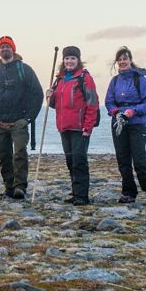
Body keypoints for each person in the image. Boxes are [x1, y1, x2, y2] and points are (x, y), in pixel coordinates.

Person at [0, 36, 43, 200]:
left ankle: (20, 187)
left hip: (19, 122)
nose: (5, 49)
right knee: (4, 155)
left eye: (8, 47)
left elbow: (38, 95)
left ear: (13, 49)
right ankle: (8, 186)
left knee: (20, 154)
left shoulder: (25, 70)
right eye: (2, 47)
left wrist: (28, 118)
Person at [105, 46, 146, 207]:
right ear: (117, 62)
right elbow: (109, 101)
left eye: (125, 58)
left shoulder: (140, 80)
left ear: (130, 60)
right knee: (123, 160)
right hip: (118, 123)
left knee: (139, 161)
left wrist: (133, 111)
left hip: (137, 123)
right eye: (120, 59)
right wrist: (115, 111)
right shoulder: (114, 81)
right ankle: (129, 193)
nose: (122, 62)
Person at [45, 46, 99, 206]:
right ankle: (76, 193)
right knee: (70, 161)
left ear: (78, 60)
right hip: (64, 127)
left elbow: (92, 103)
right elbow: (55, 104)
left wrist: (88, 127)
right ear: (63, 60)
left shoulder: (84, 78)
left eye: (72, 58)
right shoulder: (59, 79)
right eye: (67, 58)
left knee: (79, 160)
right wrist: (49, 96)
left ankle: (82, 196)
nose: (69, 61)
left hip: (79, 127)